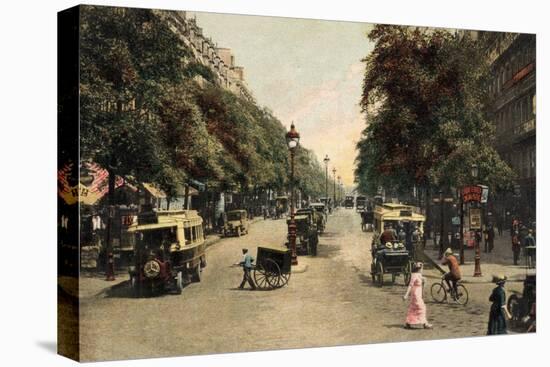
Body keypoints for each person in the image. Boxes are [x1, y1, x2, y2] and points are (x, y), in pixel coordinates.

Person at [403, 262, 432, 329]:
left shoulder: (418, 274)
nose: (422, 270)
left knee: (413, 308)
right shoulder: (415, 275)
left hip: (418, 293)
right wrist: (406, 295)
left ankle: (408, 323)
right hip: (416, 294)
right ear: (419, 269)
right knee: (422, 307)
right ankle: (425, 323)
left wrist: (424, 280)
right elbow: (410, 285)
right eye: (422, 268)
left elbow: (421, 279)